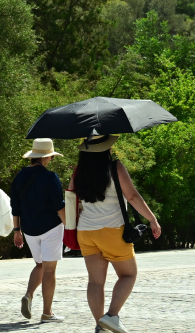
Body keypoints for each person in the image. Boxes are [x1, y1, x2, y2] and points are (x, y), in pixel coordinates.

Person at [72, 135, 161, 333]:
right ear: (106, 148)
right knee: (128, 275)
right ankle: (111, 316)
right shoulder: (115, 167)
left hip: (86, 232)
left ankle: (99, 326)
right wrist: (152, 219)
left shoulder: (79, 172)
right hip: (112, 230)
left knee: (95, 281)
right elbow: (132, 196)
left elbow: (71, 198)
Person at [10, 138, 66, 324]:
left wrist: (17, 231)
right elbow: (59, 207)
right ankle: (47, 313)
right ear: (47, 157)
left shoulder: (19, 177)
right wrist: (71, 229)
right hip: (51, 227)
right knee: (50, 270)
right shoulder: (50, 177)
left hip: (29, 230)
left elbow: (15, 207)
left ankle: (28, 294)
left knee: (40, 265)